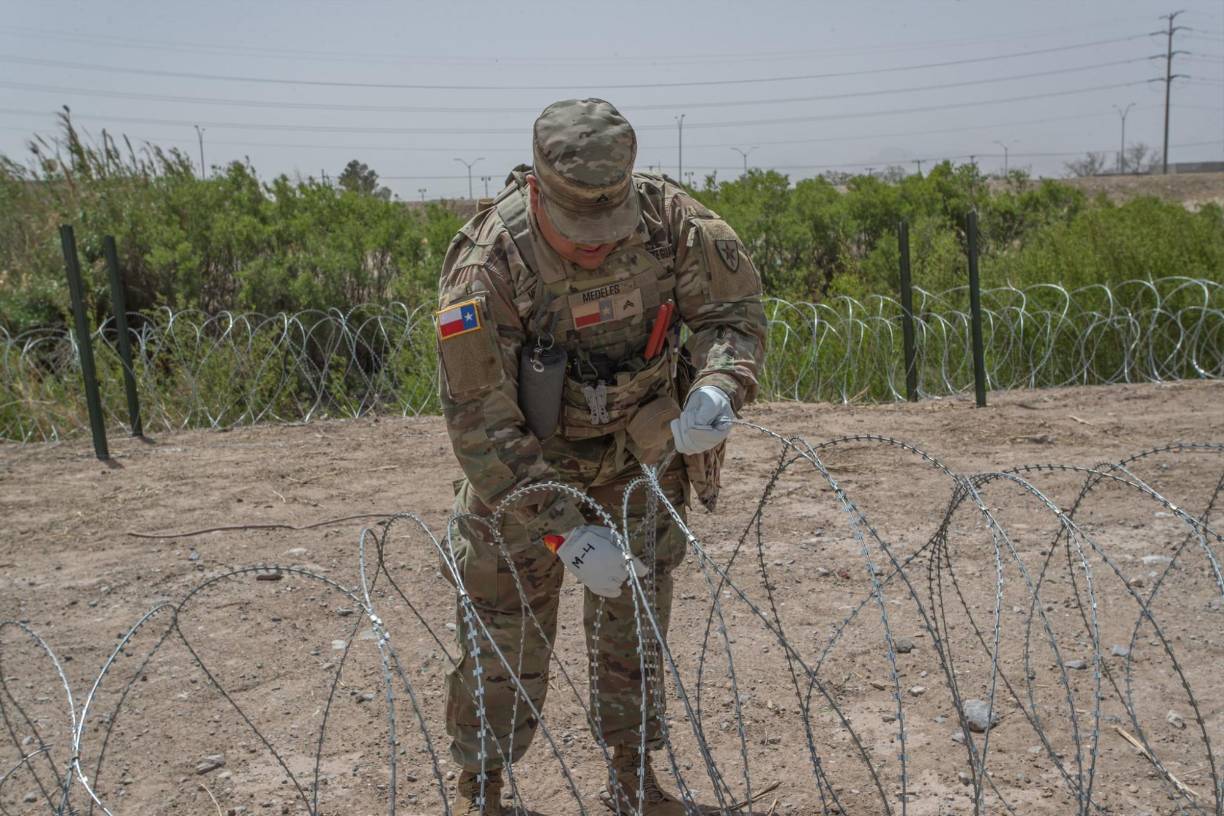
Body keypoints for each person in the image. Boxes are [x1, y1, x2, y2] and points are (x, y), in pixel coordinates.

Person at [436, 98, 766, 815]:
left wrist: (720, 383)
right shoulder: (489, 261)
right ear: (538, 193)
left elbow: (732, 317)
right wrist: (558, 528)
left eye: (606, 225)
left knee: (636, 630)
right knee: (503, 633)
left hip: (637, 458)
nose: (596, 244)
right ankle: (482, 795)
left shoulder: (669, 220)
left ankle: (633, 784)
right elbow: (479, 418)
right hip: (522, 474)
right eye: (578, 229)